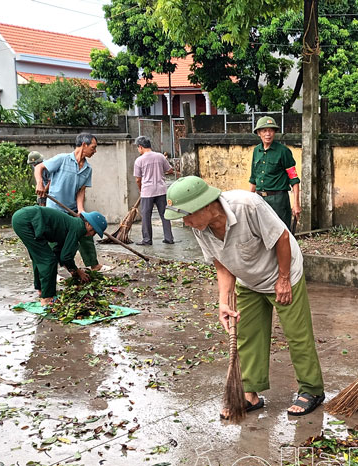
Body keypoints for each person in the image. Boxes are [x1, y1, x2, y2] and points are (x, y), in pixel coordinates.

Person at [164, 176, 325, 418]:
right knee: (248, 336)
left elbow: (281, 237)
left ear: (205, 205)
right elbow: (221, 263)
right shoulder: (201, 227)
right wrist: (223, 302)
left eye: (187, 215)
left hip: (282, 273)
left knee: (296, 334)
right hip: (248, 280)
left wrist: (282, 280)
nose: (185, 222)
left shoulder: (248, 205)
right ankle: (250, 392)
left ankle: (312, 389)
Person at [33, 132, 110, 272]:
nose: (95, 151)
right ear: (84, 145)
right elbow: (39, 167)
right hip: (55, 208)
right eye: (93, 147)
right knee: (54, 241)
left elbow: (81, 191)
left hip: (72, 208)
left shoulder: (88, 169)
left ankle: (94, 265)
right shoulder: (62, 159)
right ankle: (51, 271)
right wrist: (39, 183)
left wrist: (81, 210)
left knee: (85, 233)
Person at [11, 206, 108, 306]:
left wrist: (72, 270)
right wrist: (78, 271)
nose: (92, 235)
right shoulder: (79, 228)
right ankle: (47, 298)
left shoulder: (74, 224)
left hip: (23, 218)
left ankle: (41, 290)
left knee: (39, 257)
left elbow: (60, 253)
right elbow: (66, 257)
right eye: (94, 231)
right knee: (48, 260)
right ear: (88, 223)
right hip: (26, 221)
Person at [248, 116, 301, 232]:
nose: (268, 134)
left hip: (278, 201)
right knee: (261, 233)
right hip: (259, 199)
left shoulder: (283, 151)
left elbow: (294, 179)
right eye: (264, 130)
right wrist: (249, 201)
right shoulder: (256, 151)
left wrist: (296, 204)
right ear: (258, 133)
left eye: (271, 130)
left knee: (282, 233)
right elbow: (253, 179)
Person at [133, 136, 175, 245]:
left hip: (147, 191)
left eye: (138, 148)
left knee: (146, 216)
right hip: (161, 190)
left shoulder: (139, 160)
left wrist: (141, 190)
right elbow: (170, 170)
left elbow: (138, 179)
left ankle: (147, 240)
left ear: (141, 147)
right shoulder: (160, 157)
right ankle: (169, 238)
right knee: (165, 215)